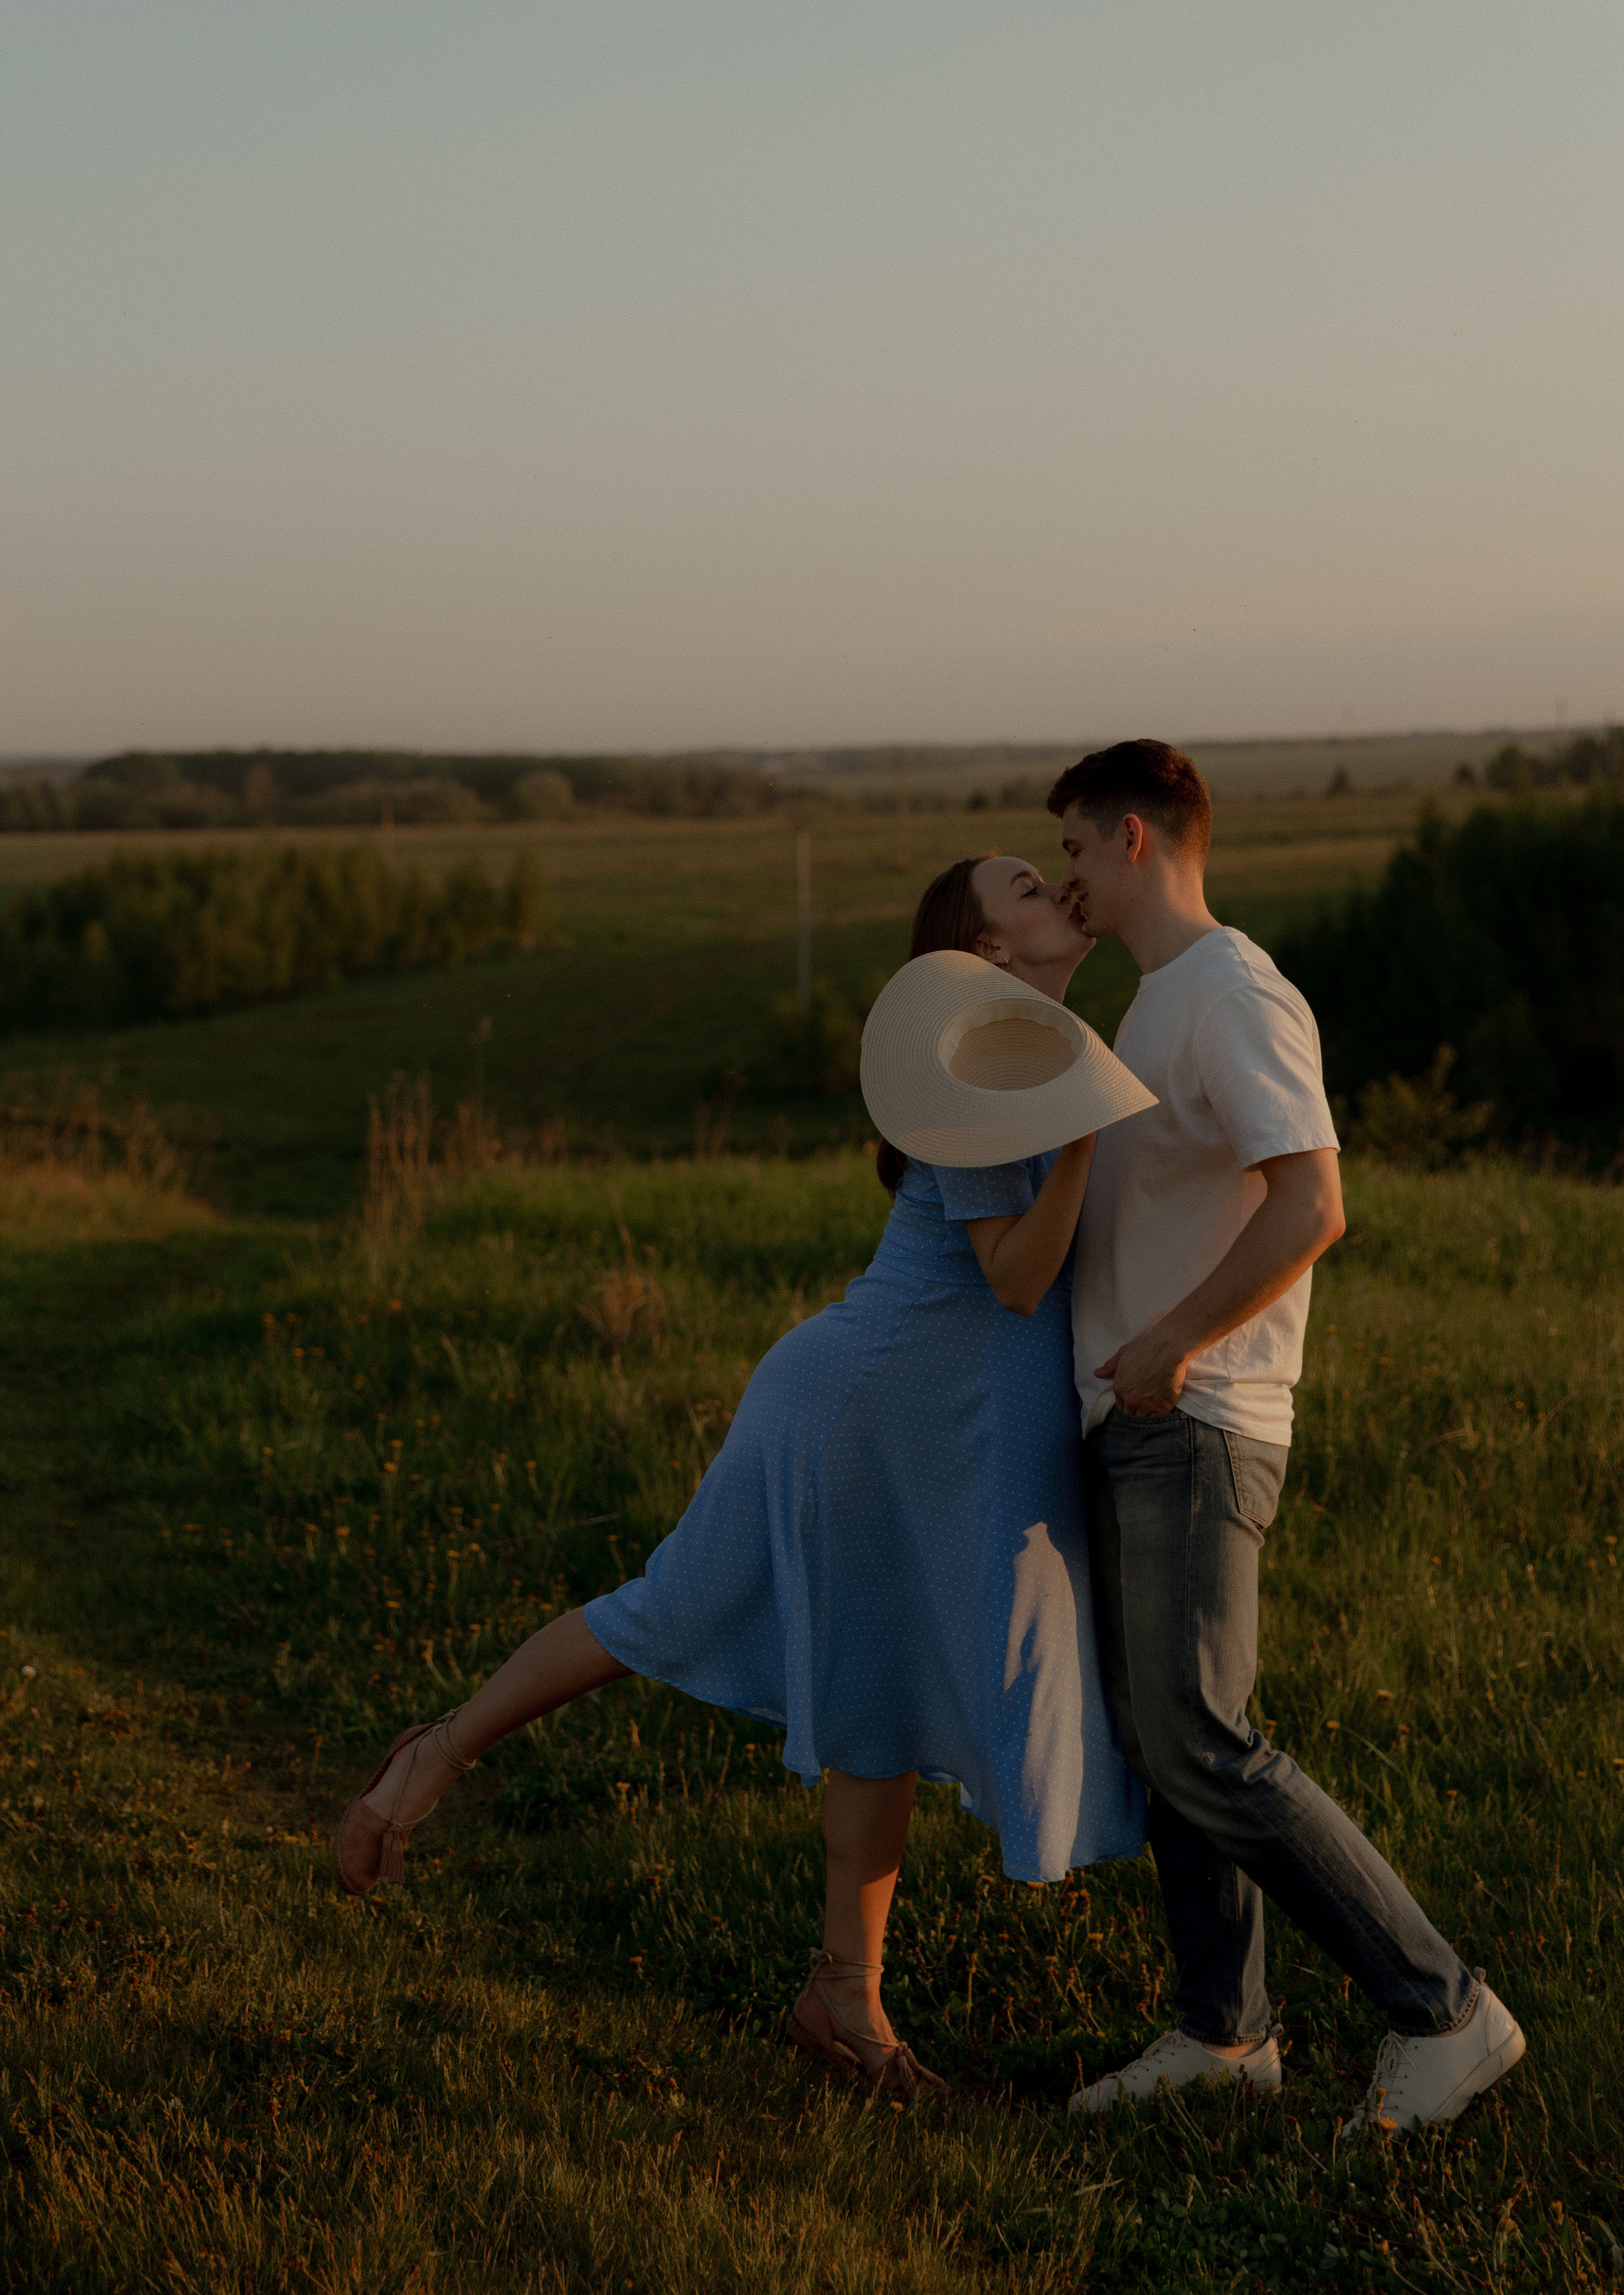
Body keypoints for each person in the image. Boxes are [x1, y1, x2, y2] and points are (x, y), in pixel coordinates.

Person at [334, 853, 1146, 2102]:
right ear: (983, 955)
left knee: (872, 1705)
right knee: (675, 1610)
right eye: (1028, 888)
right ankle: (434, 1754)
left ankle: (843, 2002)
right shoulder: (987, 1056)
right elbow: (1018, 1278)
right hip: (858, 1409)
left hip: (921, 1425)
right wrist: (1089, 1141)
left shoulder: (1037, 1049)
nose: (1058, 893)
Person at [1049, 737, 1524, 2134]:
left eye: (1073, 847)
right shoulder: (1150, 1007)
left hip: (1196, 1418)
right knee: (1161, 1738)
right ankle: (1224, 2030)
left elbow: (1310, 1202)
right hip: (1134, 1413)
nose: (1066, 876)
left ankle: (1441, 2010)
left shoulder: (1230, 993)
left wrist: (1168, 1343)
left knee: (1202, 1738)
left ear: (1133, 838)